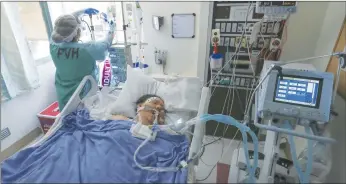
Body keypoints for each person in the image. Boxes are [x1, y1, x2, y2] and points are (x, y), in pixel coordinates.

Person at [50, 8, 115, 110]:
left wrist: (80, 12)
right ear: (77, 31)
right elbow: (106, 43)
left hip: (64, 98)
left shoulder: (54, 46)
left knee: (68, 119)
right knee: (85, 119)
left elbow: (63, 25)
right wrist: (111, 29)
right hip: (84, 96)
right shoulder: (88, 48)